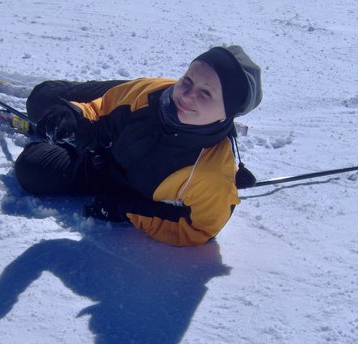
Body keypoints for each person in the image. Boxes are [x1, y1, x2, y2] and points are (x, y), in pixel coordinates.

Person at [15, 45, 262, 247]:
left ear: (227, 113)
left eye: (206, 94)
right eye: (187, 80)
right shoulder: (152, 94)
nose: (186, 95)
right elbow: (101, 111)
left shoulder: (211, 174)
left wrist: (128, 209)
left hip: (113, 176)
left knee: (31, 168)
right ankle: (70, 113)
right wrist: (74, 117)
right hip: (124, 100)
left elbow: (197, 230)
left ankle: (76, 145)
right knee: (40, 100)